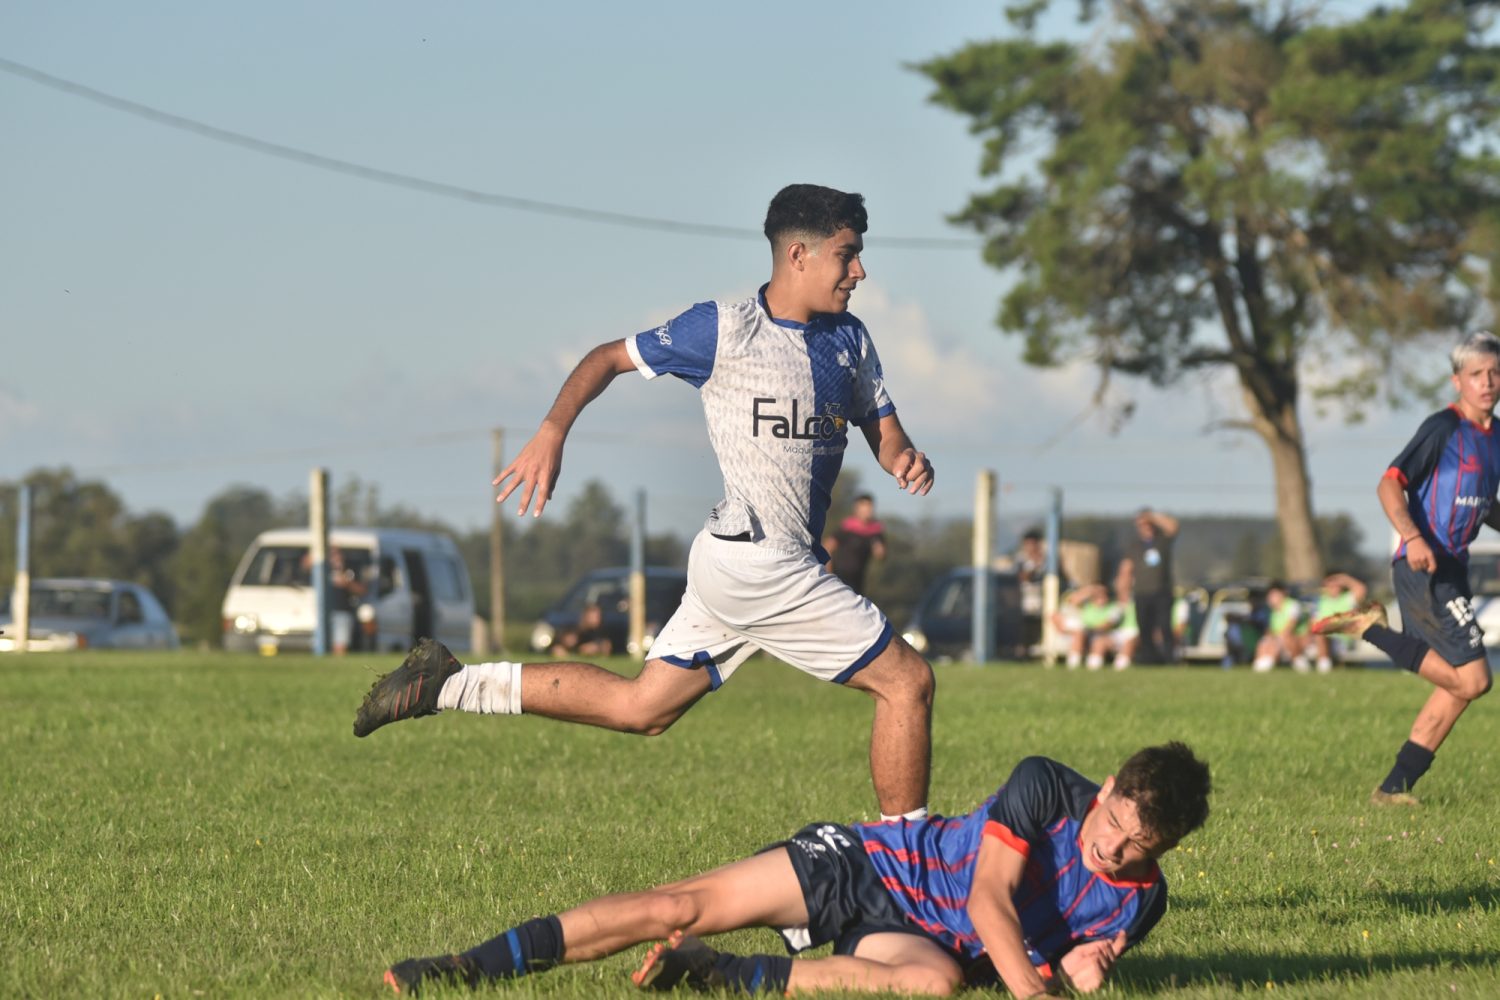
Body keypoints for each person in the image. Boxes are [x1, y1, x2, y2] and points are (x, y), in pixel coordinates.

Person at [353, 184, 937, 820]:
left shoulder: (849, 339)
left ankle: (448, 683)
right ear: (798, 254)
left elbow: (883, 429)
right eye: (848, 255)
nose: (861, 271)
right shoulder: (721, 329)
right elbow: (606, 358)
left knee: (643, 709)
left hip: (736, 563)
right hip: (760, 565)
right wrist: (551, 432)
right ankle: (906, 862)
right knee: (907, 683)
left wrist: (903, 457)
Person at [380, 743, 1211, 998]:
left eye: (1137, 848)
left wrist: (1079, 971)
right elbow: (991, 902)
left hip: (925, 946)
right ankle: (469, 965)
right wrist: (1038, 994)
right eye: (1112, 825)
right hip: (870, 870)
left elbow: (1060, 960)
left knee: (938, 987)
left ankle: (722, 975)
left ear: (1165, 850)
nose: (1111, 849)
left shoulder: (1142, 904)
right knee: (682, 901)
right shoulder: (1046, 790)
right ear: (1104, 791)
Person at [1314, 331, 1498, 805]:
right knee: (1476, 679)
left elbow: (1482, 505)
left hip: (1452, 567)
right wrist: (1413, 537)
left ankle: (1394, 788)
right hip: (1423, 564)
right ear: (1458, 380)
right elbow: (1389, 484)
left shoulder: (1495, 437)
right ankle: (1371, 628)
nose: (1488, 381)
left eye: (1495, 372)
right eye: (1477, 374)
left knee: (1457, 687)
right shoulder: (1442, 428)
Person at [1121, 509, 1179, 664]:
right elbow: (1126, 569)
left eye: (1148, 524)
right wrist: (1123, 592)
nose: (1145, 527)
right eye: (1141, 524)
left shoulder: (1162, 540)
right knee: (1144, 628)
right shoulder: (1134, 546)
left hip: (1162, 592)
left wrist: (1153, 516)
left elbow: (1173, 527)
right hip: (1141, 593)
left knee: (1165, 627)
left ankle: (1168, 658)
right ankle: (1148, 659)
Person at [823, 494, 887, 596]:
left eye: (870, 507)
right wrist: (828, 572)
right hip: (839, 577)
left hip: (858, 580)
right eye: (864, 507)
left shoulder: (875, 531)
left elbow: (881, 556)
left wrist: (879, 550)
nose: (868, 510)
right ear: (857, 508)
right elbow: (827, 546)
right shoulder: (847, 528)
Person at [1309, 572, 1367, 673]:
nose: (1333, 588)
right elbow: (1313, 624)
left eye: (1336, 585)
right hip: (1323, 638)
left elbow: (1361, 589)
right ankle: (1319, 664)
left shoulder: (1347, 599)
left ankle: (1324, 667)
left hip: (1342, 640)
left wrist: (1345, 579)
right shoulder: (1320, 602)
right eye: (1330, 585)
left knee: (1321, 634)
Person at [1251, 581, 1309, 673]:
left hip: (1298, 640)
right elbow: (1271, 631)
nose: (1271, 598)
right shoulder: (1273, 612)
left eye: (1274, 595)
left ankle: (1299, 662)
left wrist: (1275, 639)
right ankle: (1262, 662)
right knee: (1264, 641)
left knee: (1285, 638)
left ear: (1283, 594)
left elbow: (1290, 627)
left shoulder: (1293, 606)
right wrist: (1269, 638)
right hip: (1281, 640)